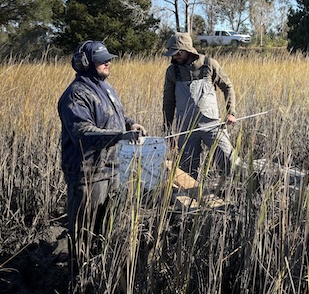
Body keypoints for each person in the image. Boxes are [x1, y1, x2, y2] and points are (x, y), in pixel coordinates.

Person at [58, 40, 146, 280]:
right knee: (83, 230)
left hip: (112, 169)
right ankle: (80, 277)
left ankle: (102, 272)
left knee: (108, 225)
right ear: (84, 63)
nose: (108, 62)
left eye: (109, 58)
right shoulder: (76, 94)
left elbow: (113, 116)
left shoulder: (105, 87)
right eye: (102, 60)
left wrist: (130, 124)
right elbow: (83, 133)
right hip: (88, 174)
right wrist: (121, 135)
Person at [162, 32, 237, 177]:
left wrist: (231, 112)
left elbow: (227, 87)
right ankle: (191, 198)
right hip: (186, 129)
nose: (174, 56)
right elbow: (168, 102)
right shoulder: (172, 71)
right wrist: (168, 131)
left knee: (230, 162)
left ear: (187, 49)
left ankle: (232, 192)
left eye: (178, 53)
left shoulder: (209, 64)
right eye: (172, 53)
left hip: (212, 125)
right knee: (187, 171)